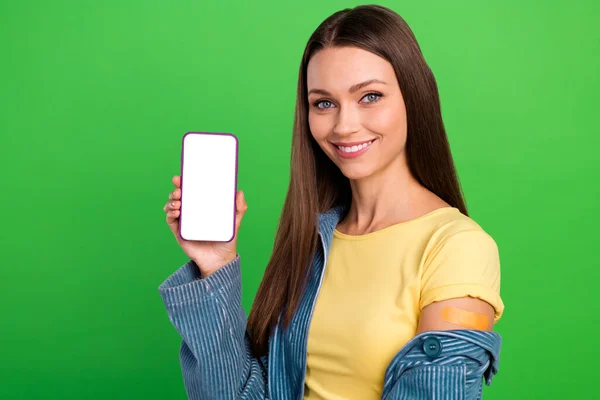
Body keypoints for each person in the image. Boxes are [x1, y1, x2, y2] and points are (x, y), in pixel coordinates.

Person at [159, 4, 504, 400]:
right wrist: (215, 266)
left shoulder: (457, 247)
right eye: (323, 103)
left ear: (414, 96)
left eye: (370, 96)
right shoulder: (312, 241)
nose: (344, 125)